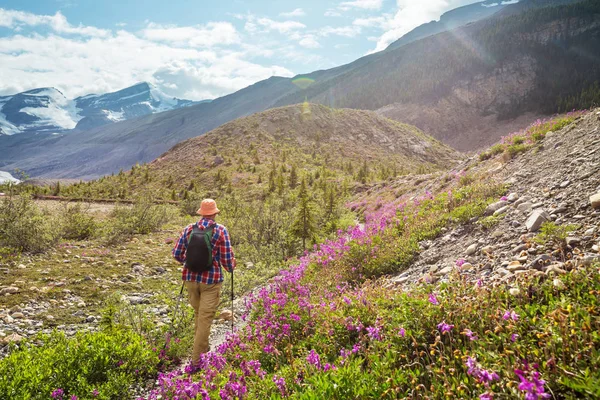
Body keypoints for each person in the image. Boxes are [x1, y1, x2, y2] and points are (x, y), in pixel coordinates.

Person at [172, 198, 236, 365]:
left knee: (199, 315)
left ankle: (202, 350)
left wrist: (190, 261)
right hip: (211, 281)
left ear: (201, 213)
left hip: (190, 279)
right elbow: (227, 261)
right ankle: (196, 362)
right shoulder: (221, 231)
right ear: (215, 213)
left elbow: (177, 254)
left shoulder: (188, 229)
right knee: (205, 318)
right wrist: (231, 266)